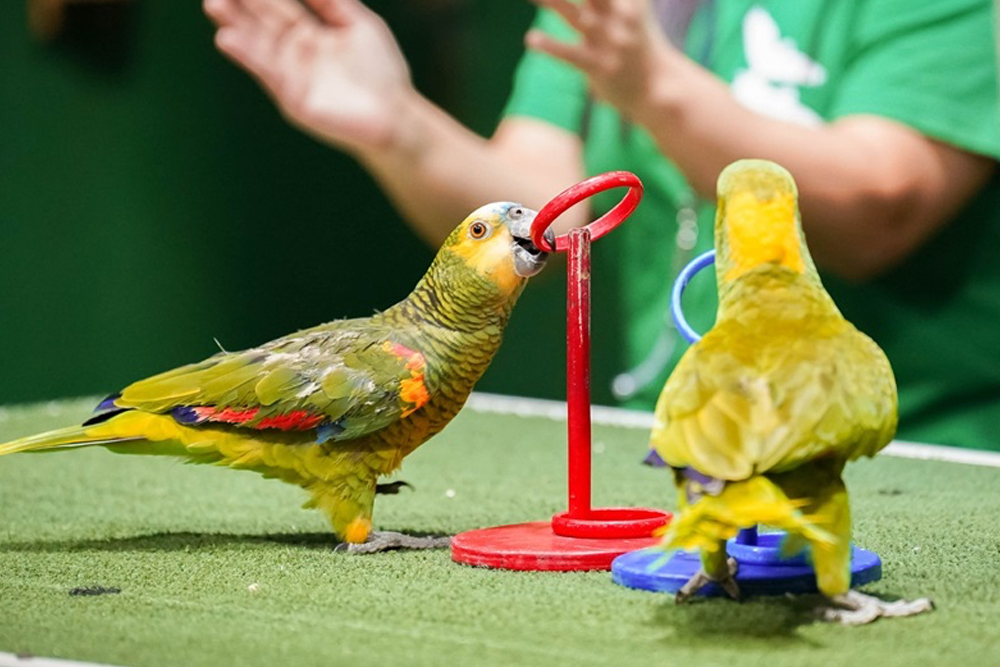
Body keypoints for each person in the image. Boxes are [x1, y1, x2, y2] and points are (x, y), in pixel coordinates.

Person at [203, 0, 1000, 451]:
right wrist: (398, 127)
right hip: (684, 441)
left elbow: (879, 210)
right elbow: (541, 210)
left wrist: (656, 86)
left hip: (911, 447)